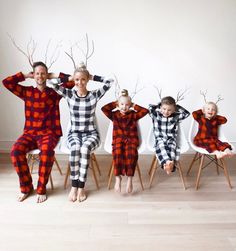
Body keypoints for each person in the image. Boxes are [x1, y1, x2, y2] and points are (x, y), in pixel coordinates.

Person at [2, 61, 74, 203]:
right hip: (30, 133)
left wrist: (53, 76)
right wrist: (23, 75)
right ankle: (26, 188)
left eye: (43, 73)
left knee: (47, 152)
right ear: (33, 75)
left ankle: (41, 188)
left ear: (46, 75)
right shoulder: (27, 92)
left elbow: (71, 81)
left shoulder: (55, 92)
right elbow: (6, 82)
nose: (40, 76)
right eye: (37, 73)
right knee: (15, 152)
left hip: (49, 133)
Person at [49, 63, 114, 202]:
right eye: (77, 80)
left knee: (84, 149)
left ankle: (81, 187)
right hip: (74, 134)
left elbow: (110, 81)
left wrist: (92, 76)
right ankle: (74, 186)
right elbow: (51, 83)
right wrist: (70, 77)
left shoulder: (94, 95)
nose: (79, 82)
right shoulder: (69, 94)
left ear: (87, 80)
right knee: (75, 148)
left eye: (83, 79)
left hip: (91, 134)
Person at [101, 89, 148, 193]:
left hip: (131, 141)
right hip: (118, 140)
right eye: (122, 104)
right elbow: (104, 109)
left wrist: (134, 105)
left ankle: (130, 179)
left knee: (131, 155)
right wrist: (115, 103)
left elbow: (145, 111)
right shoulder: (114, 115)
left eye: (127, 105)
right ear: (118, 104)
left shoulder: (133, 115)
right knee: (117, 154)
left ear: (130, 105)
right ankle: (118, 178)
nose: (124, 107)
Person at [149, 96, 190, 174]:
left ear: (174, 110)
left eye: (169, 110)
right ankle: (169, 163)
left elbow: (186, 114)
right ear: (161, 107)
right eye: (164, 109)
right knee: (162, 147)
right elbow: (150, 107)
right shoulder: (156, 114)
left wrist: (176, 106)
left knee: (172, 149)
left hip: (171, 138)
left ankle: (167, 164)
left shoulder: (176, 116)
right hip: (160, 138)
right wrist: (159, 105)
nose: (166, 112)